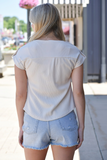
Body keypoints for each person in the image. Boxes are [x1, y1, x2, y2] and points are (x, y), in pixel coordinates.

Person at [12, 3, 86, 160]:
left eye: (32, 22)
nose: (32, 25)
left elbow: (20, 94)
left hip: (34, 120)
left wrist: (22, 126)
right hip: (65, 119)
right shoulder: (73, 52)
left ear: (38, 23)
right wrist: (82, 126)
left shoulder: (23, 53)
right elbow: (78, 92)